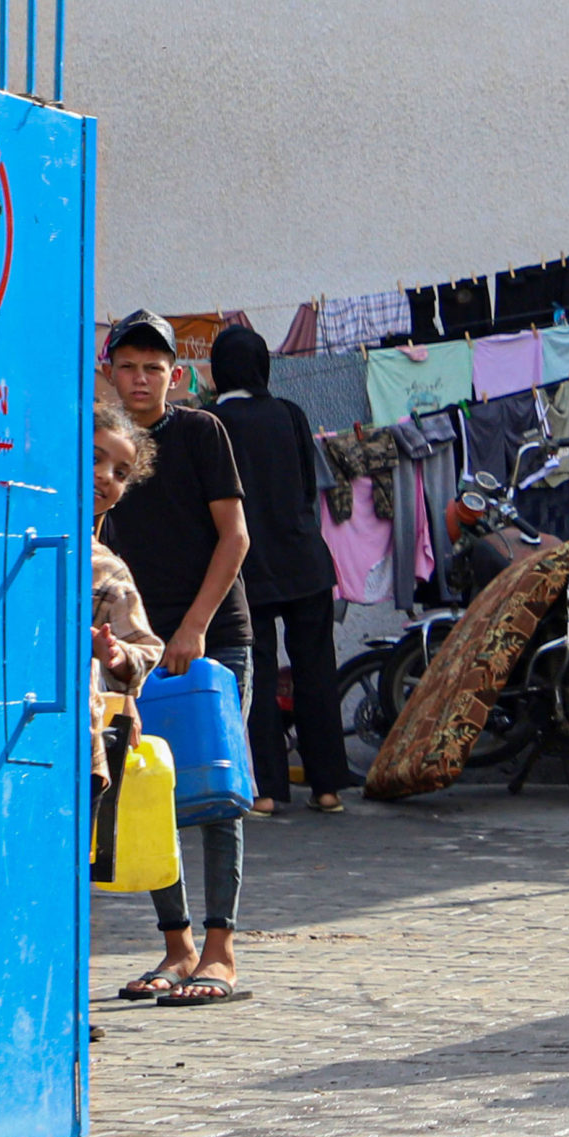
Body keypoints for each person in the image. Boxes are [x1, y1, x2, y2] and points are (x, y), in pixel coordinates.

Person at [99, 310, 256, 1007]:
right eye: (129, 365)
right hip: (130, 647)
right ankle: (176, 945)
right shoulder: (103, 444)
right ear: (109, 371)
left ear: (175, 375)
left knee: (215, 790)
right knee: (150, 787)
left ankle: (220, 948)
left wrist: (192, 628)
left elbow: (236, 538)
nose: (141, 378)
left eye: (154, 367)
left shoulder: (201, 432)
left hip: (208, 640)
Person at [206, 325, 352, 816]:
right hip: (305, 561)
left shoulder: (210, 422)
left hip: (247, 567)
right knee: (316, 671)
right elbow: (310, 489)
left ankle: (265, 790)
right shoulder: (290, 414)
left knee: (259, 676)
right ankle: (328, 786)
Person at [90, 400, 166, 907]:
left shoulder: (107, 570)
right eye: (95, 458)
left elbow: (145, 647)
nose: (104, 477)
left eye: (119, 472)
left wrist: (117, 659)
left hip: (75, 737)